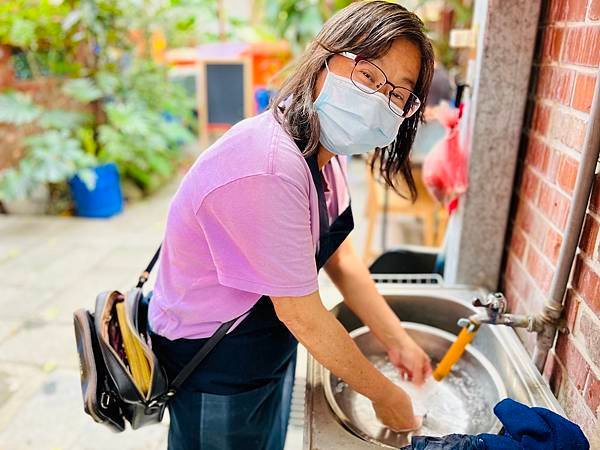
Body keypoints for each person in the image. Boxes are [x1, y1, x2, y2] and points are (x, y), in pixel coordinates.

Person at [147, 2, 435, 449]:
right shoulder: (270, 166)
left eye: (398, 94)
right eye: (368, 76)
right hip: (217, 363)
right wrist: (386, 396)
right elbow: (301, 314)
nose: (381, 100)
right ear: (324, 57)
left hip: (265, 350)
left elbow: (341, 259)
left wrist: (397, 341)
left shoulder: (324, 154)